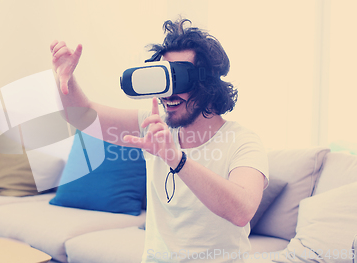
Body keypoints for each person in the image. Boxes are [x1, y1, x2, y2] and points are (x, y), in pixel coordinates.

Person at [50, 18, 269, 263]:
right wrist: (65, 78)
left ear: (208, 85)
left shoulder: (243, 142)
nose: (168, 93)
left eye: (180, 79)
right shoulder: (153, 126)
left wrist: (174, 158)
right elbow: (81, 115)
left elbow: (242, 211)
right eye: (164, 79)